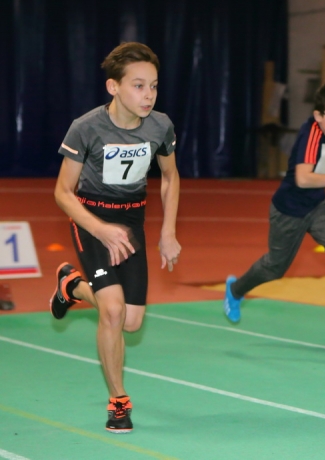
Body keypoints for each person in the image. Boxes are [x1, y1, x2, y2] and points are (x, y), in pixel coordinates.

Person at [49, 42, 181, 433]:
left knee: (131, 322)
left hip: (131, 223)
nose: (148, 95)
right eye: (138, 86)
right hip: (91, 220)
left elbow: (170, 177)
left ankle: (72, 286)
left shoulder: (160, 126)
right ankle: (118, 402)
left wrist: (168, 231)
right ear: (113, 87)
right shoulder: (86, 127)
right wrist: (100, 229)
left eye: (153, 86)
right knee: (112, 311)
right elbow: (62, 193)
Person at [223, 82, 325, 344]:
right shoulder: (312, 134)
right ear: (318, 116)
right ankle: (235, 290)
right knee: (274, 268)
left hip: (318, 206)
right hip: (289, 212)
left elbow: (318, 167)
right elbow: (302, 179)